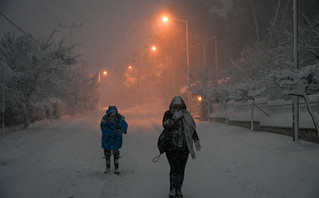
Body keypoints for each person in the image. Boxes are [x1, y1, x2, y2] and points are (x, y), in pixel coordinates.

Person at [162, 96, 201, 198]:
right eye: (176, 106)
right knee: (174, 168)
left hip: (184, 148)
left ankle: (179, 189)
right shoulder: (168, 114)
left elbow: (191, 129)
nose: (178, 108)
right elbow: (166, 125)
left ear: (183, 106)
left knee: (181, 169)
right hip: (171, 148)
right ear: (172, 106)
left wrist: (196, 140)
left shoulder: (187, 115)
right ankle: (172, 189)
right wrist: (175, 117)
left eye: (180, 106)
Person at [100, 106, 128, 174]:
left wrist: (123, 130)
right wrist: (114, 131)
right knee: (107, 154)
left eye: (114, 113)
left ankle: (116, 168)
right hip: (107, 139)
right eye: (111, 113)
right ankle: (108, 167)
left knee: (116, 153)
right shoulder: (105, 119)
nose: (113, 115)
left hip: (116, 139)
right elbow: (103, 129)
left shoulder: (120, 118)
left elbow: (124, 124)